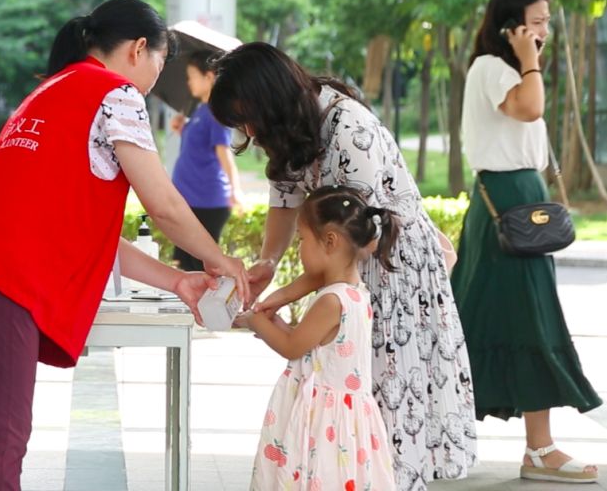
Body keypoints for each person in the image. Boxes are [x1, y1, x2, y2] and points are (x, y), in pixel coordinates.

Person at [0, 0, 249, 491]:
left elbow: (88, 232)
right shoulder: (116, 93)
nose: (155, 78)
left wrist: (179, 280)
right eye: (160, 63)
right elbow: (162, 203)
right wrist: (219, 259)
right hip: (1, 273)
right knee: (2, 437)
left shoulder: (51, 89)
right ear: (140, 49)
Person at [208, 43, 477, 490]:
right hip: (351, 272)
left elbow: (345, 244)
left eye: (248, 117)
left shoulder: (349, 129)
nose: (250, 131)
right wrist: (268, 264)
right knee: (355, 412)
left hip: (392, 272)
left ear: (270, 100)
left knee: (387, 406)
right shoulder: (295, 127)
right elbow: (286, 198)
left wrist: (268, 304)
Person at [451, 0, 601, 483]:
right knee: (512, 320)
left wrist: (528, 60)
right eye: (535, 22)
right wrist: (529, 58)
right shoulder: (493, 68)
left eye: (546, 21)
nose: (545, 30)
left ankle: (537, 448)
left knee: (494, 321)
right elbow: (530, 109)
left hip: (518, 204)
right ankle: (539, 449)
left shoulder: (508, 71)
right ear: (510, 26)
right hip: (506, 205)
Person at [236, 186, 397, 490]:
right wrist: (276, 321)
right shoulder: (355, 294)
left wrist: (255, 321)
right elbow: (312, 348)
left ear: (330, 242)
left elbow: (291, 346)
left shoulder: (332, 300)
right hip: (345, 422)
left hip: (326, 424)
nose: (299, 248)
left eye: (301, 240)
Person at [169, 49, 246, 271]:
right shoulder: (201, 110)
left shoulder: (216, 112)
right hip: (191, 200)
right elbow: (200, 148)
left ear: (209, 77)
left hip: (206, 202)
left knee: (199, 268)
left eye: (192, 75)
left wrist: (235, 190)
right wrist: (182, 128)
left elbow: (224, 152)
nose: (188, 81)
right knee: (185, 265)